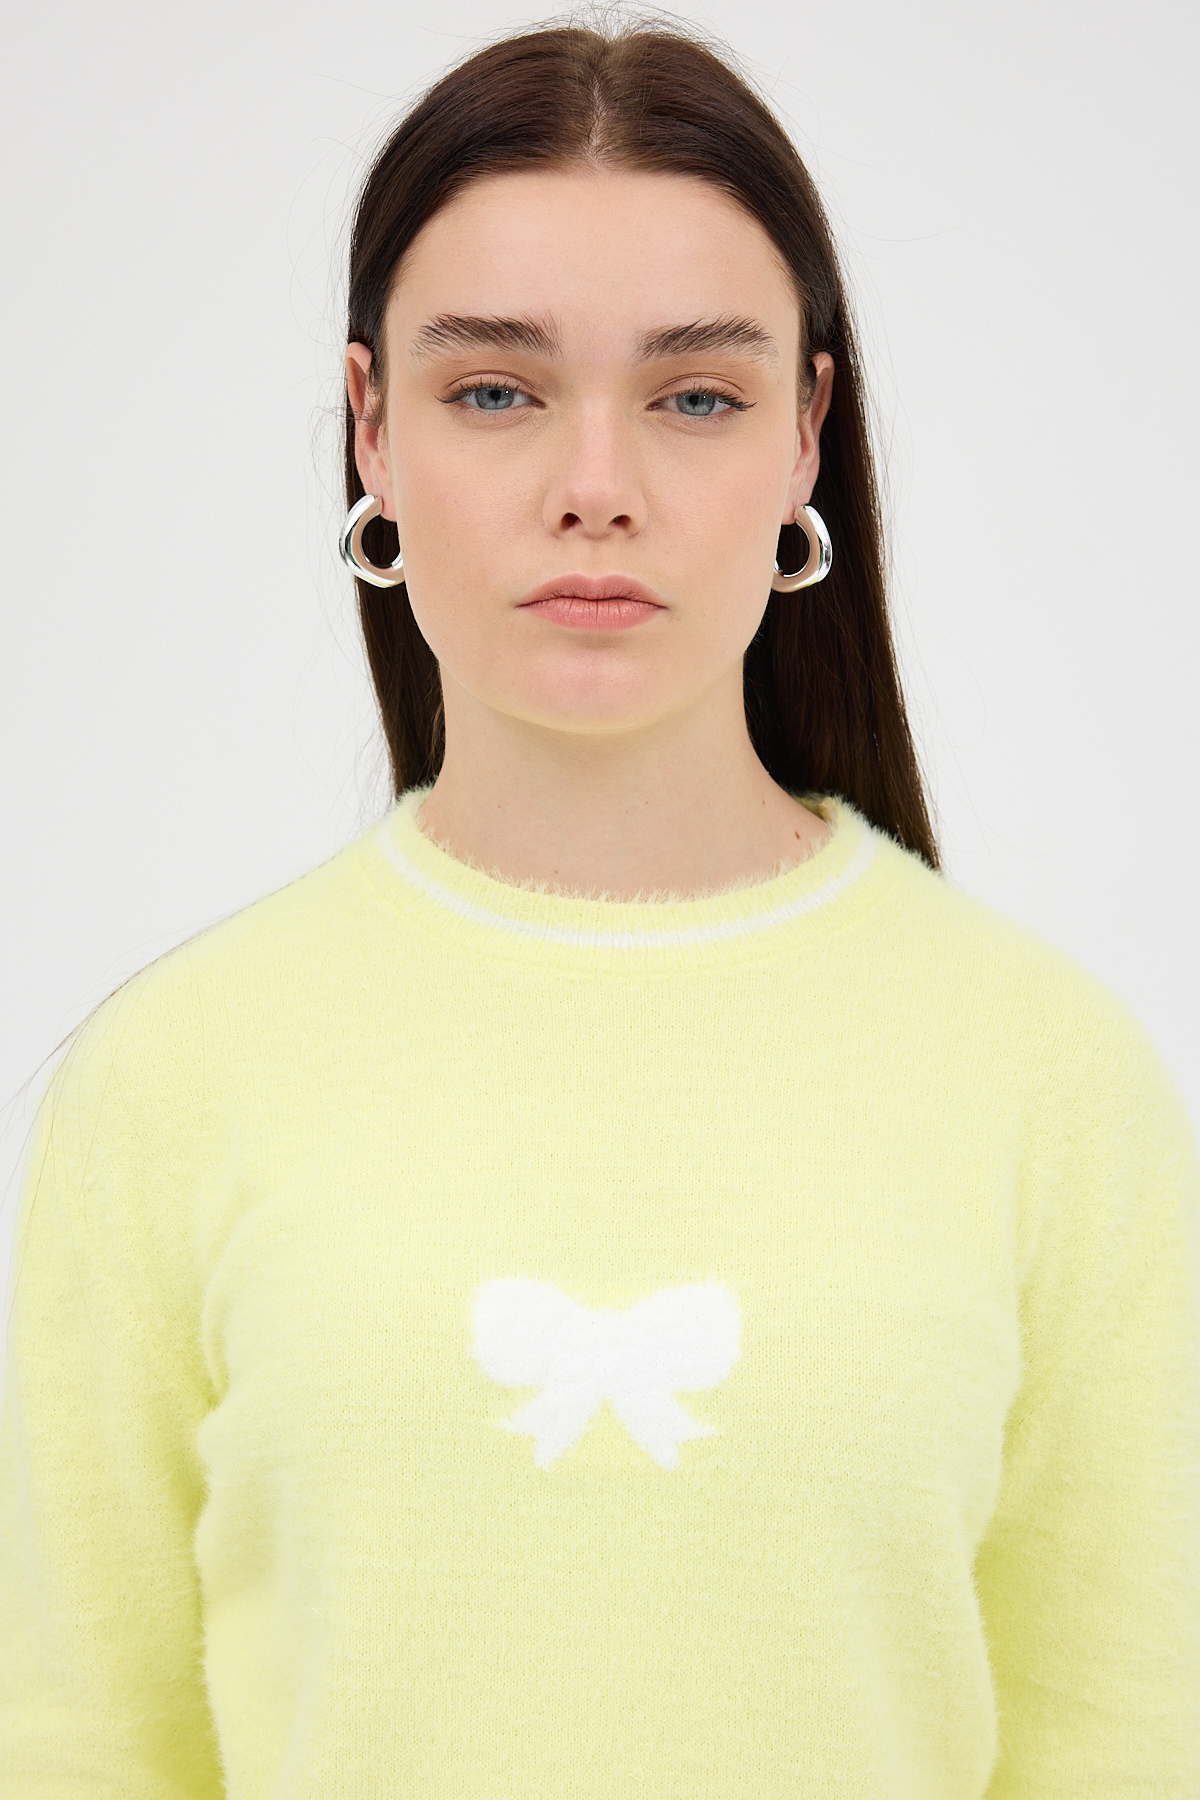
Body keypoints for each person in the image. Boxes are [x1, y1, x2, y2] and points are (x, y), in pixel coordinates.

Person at [1, 17, 1196, 1799]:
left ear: (807, 438)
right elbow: (78, 1748)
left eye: (696, 396)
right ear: (370, 429)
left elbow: (1129, 1746)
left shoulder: (1055, 1081)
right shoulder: (167, 1081)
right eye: (495, 390)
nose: (596, 489)